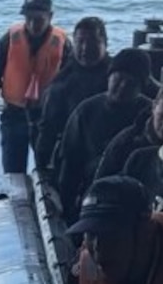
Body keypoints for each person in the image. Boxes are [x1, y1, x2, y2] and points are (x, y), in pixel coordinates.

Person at [0, 0, 70, 174]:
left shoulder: (62, 43)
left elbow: (72, 80)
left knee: (48, 172)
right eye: (29, 18)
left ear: (50, 17)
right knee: (13, 173)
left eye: (39, 19)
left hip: (47, 118)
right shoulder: (10, 39)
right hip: (14, 114)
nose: (33, 24)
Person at [54, 48, 152, 223]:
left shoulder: (149, 115)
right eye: (118, 79)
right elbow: (70, 163)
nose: (122, 87)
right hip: (92, 192)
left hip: (136, 196)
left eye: (130, 83)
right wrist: (67, 205)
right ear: (109, 77)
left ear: (141, 87)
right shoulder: (86, 111)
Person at [34, 16, 110, 174]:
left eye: (92, 42)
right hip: (74, 156)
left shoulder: (120, 75)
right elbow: (48, 129)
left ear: (105, 43)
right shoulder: (63, 83)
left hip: (113, 154)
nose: (85, 48)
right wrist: (41, 167)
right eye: (80, 42)